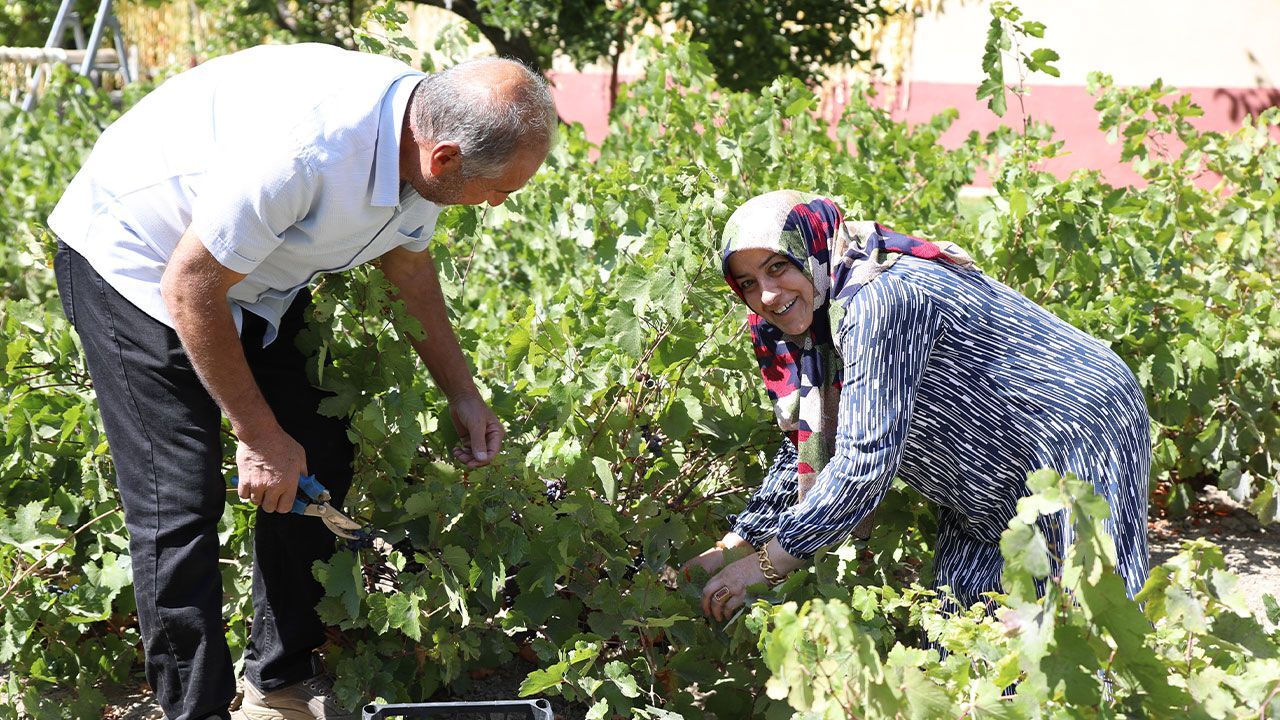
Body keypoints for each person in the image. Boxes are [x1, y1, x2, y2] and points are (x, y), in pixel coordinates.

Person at [47, 43, 556, 720]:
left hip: (249, 276)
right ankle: (195, 710)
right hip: (141, 260)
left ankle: (278, 682)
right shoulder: (307, 152)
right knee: (179, 495)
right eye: (498, 191)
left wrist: (462, 393)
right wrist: (257, 436)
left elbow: (408, 269)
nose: (493, 204)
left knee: (317, 449)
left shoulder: (425, 133)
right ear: (443, 160)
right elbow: (190, 286)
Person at [687, 190, 1150, 623]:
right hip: (986, 463)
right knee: (964, 628)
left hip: (1076, 428)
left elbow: (863, 463)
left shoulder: (878, 300)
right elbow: (815, 440)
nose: (767, 295)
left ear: (811, 247)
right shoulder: (816, 319)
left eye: (778, 267)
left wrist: (767, 564)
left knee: (1092, 613)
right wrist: (735, 545)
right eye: (748, 283)